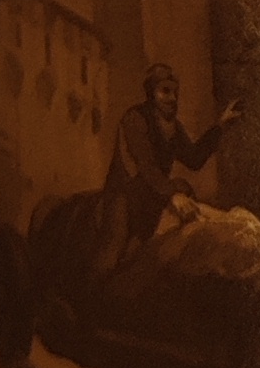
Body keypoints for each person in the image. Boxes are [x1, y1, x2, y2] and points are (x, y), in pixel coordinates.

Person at [95, 63, 238, 279]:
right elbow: (145, 165)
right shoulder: (134, 119)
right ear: (151, 93)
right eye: (165, 91)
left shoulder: (173, 127)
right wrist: (172, 194)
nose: (172, 98)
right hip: (126, 194)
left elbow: (194, 159)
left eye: (175, 92)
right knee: (112, 251)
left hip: (155, 195)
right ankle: (94, 292)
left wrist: (220, 126)